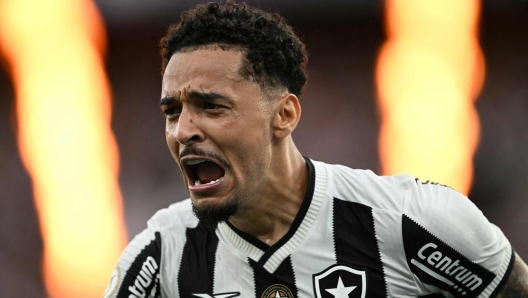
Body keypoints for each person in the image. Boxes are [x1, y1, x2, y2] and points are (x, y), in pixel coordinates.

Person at [103, 1, 528, 297]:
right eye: (172, 111)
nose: (183, 131)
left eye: (211, 106)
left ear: (284, 115)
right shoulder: (162, 255)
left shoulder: (413, 222)